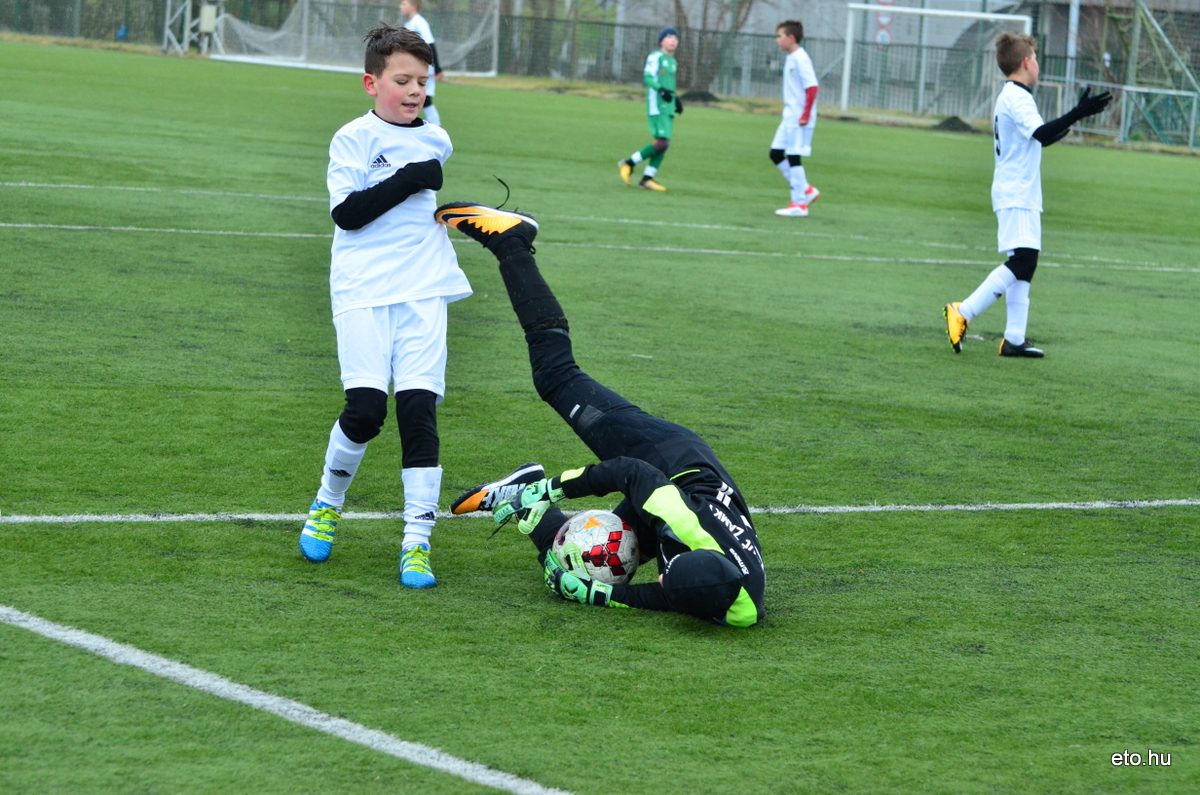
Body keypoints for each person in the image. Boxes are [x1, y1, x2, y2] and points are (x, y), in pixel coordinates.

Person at [433, 201, 766, 627]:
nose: (660, 577)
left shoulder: (743, 609)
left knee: (575, 563)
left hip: (681, 497)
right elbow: (629, 471)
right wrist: (552, 491)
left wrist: (598, 595)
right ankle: (511, 240)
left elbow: (662, 596)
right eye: (665, 573)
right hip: (668, 460)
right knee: (556, 377)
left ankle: (523, 491)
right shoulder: (683, 521)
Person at [299, 24, 472, 589]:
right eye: (403, 80)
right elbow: (348, 215)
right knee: (367, 410)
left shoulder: (437, 139)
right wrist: (409, 178)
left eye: (422, 81)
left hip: (424, 289)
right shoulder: (350, 139)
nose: (415, 89)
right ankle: (328, 502)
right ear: (372, 83)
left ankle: (416, 544)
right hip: (363, 289)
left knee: (418, 414)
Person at [944, 32, 1111, 357]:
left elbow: (1042, 135)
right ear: (1025, 63)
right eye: (1035, 58)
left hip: (1021, 191)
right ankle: (962, 311)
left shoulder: (1015, 95)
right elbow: (1043, 135)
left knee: (1026, 263)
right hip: (1016, 191)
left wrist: (1074, 118)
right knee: (1022, 260)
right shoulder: (1017, 97)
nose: (1037, 64)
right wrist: (1079, 112)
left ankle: (1014, 339)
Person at [618, 26, 682, 192]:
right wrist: (660, 89)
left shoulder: (673, 62)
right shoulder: (655, 57)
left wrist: (676, 100)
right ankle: (629, 163)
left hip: (667, 107)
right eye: (669, 37)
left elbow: (670, 86)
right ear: (661, 41)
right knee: (662, 142)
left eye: (675, 38)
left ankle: (647, 179)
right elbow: (647, 77)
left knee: (664, 144)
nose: (673, 41)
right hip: (657, 105)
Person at [771, 19, 820, 217]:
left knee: (793, 157)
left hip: (799, 117)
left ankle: (799, 205)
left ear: (791, 38)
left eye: (779, 36)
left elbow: (812, 87)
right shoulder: (791, 57)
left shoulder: (801, 58)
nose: (777, 40)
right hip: (789, 115)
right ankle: (806, 190)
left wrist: (806, 113)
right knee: (775, 154)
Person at [400, 0, 445, 126]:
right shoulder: (410, 23)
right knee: (418, 98)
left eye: (404, 4)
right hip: (415, 67)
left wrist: (437, 68)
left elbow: (430, 44)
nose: (401, 7)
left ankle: (437, 128)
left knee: (426, 99)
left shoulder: (420, 23)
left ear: (413, 6)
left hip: (425, 68)